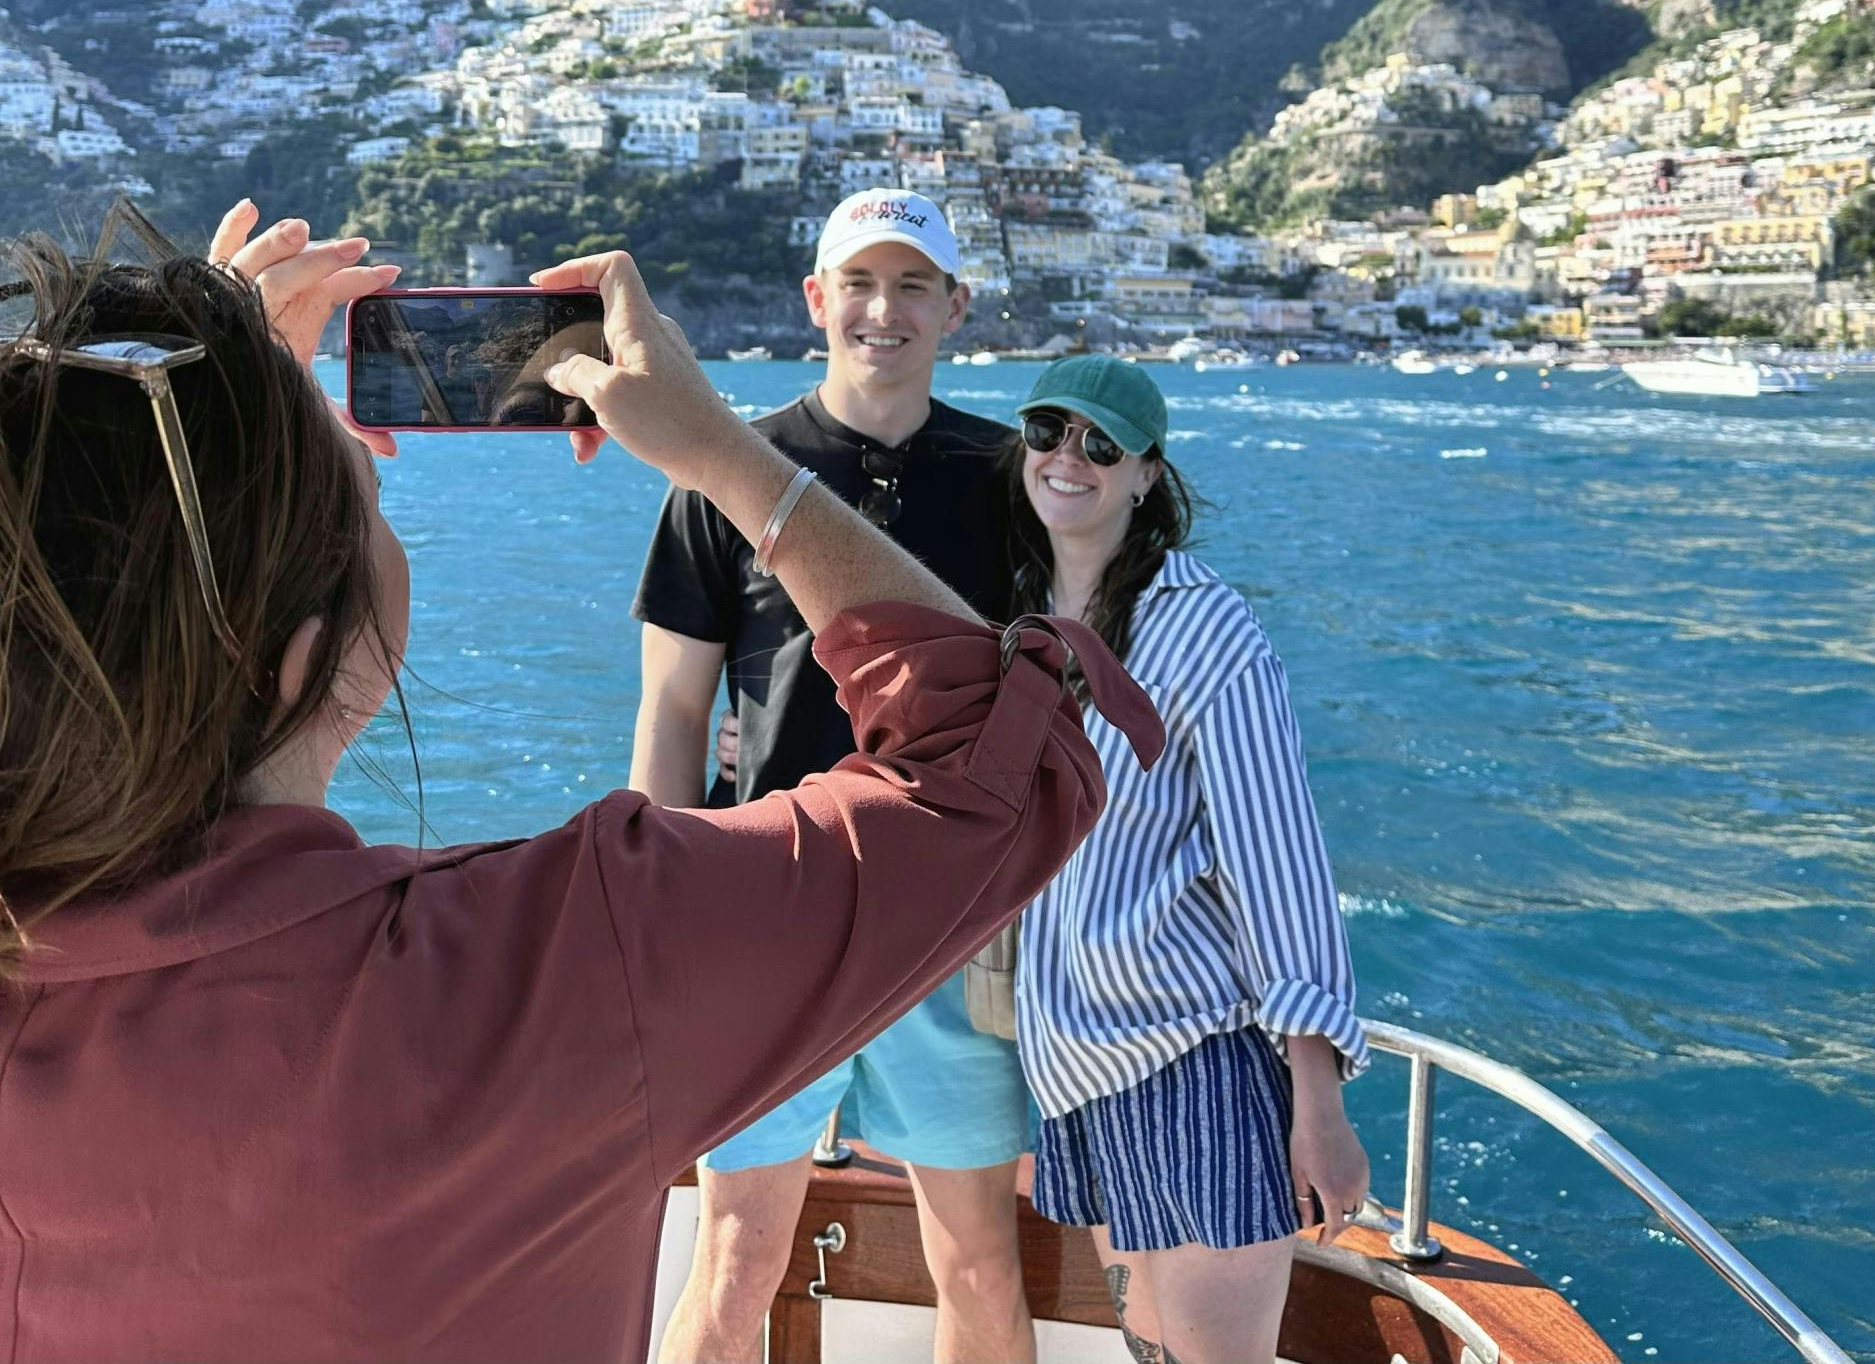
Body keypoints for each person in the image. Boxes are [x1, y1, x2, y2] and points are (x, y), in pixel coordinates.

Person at [0, 202, 1162, 1362]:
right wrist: (721, 451)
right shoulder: (564, 973)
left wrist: (181, 447)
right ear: (306, 658)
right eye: (366, 499)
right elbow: (997, 770)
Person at [633, 189, 1042, 1364]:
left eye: (914, 283)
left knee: (974, 1262)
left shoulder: (1012, 479)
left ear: (955, 307)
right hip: (765, 920)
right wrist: (657, 907)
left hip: (951, 928)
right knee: (735, 1262)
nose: (883, 308)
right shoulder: (726, 473)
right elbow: (672, 715)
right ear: (815, 300)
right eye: (858, 282)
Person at [1000, 354, 1372, 1364]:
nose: (1066, 458)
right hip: (1078, 1069)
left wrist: (1319, 1103)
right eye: (1046, 431)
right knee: (1151, 1356)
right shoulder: (1019, 622)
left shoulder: (1205, 629)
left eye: (1099, 445)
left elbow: (1278, 860)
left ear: (1144, 473)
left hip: (1191, 1057)